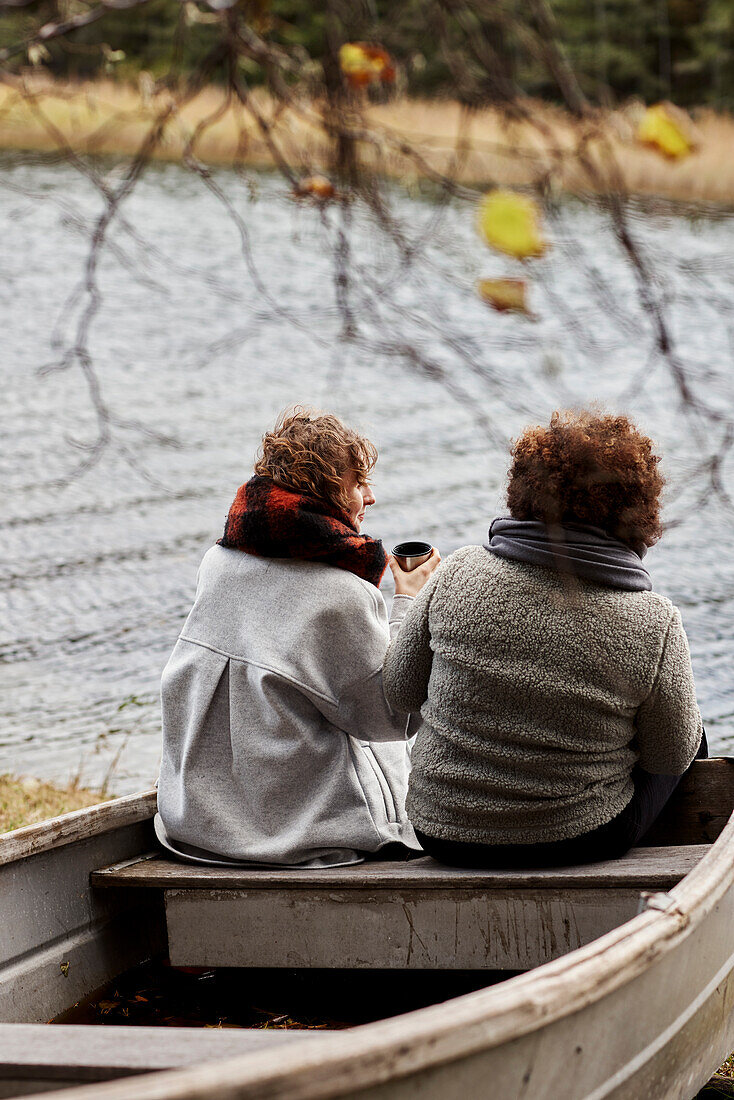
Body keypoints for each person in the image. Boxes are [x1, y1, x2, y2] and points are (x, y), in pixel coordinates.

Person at [383, 410, 707, 869]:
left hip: (442, 831)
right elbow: (671, 756)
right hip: (577, 836)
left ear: (524, 492)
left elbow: (400, 691)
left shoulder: (457, 571)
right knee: (694, 735)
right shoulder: (653, 620)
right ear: (638, 512)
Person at [155, 408, 439, 867]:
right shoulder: (340, 593)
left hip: (199, 823)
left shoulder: (220, 561)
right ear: (326, 495)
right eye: (357, 483)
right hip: (295, 835)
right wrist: (411, 604)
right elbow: (394, 716)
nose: (370, 496)